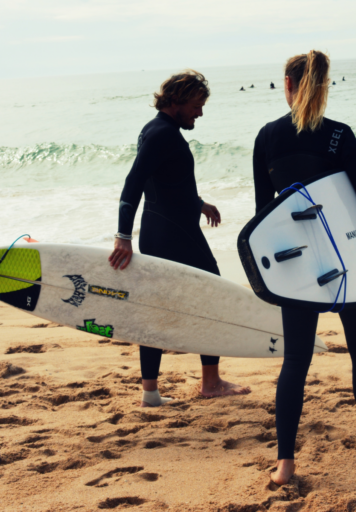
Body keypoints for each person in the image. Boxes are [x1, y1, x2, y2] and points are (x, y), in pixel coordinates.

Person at [252, 50, 356, 485]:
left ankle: (285, 464)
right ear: (323, 87)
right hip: (348, 262)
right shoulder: (340, 136)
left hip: (297, 266)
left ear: (286, 84)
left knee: (296, 361)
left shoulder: (266, 137)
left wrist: (269, 277)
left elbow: (262, 217)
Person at [109, 70, 251, 406]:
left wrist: (199, 204)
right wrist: (122, 236)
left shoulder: (155, 129)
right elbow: (134, 183)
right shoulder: (163, 134)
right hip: (177, 236)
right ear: (177, 100)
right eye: (196, 105)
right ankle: (211, 383)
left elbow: (167, 184)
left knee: (155, 309)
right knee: (212, 297)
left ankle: (151, 393)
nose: (199, 112)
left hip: (163, 232)